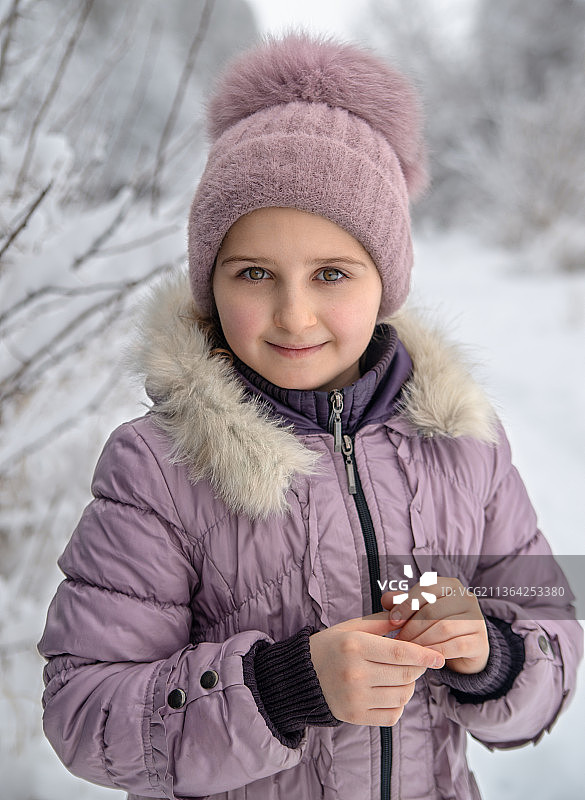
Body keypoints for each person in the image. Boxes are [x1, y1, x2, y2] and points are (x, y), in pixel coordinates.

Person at [38, 33, 582, 800]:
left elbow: (555, 634)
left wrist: (490, 654)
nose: (293, 314)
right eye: (254, 273)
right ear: (210, 284)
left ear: (385, 281)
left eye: (330, 273)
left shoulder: (464, 446)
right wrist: (281, 689)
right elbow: (85, 711)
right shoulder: (158, 468)